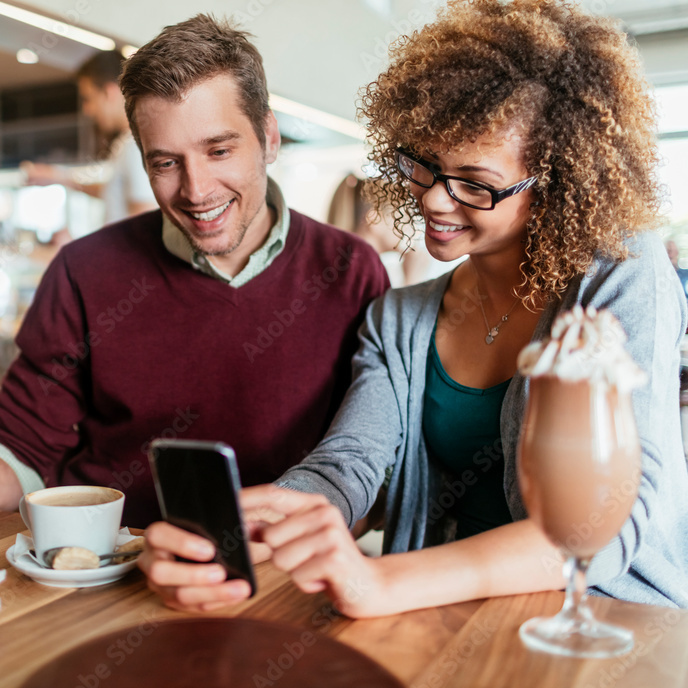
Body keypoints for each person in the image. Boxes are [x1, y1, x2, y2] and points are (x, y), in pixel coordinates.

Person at [141, 0, 688, 615]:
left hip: (610, 626)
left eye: (474, 183)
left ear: (556, 184)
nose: (434, 198)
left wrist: (383, 583)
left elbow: (611, 515)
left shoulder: (620, 272)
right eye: (424, 166)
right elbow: (348, 464)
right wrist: (252, 523)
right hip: (441, 629)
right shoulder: (399, 319)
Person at [0, 15, 389, 564]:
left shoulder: (350, 270)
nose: (196, 191)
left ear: (267, 136)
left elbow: (367, 465)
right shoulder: (84, 270)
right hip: (110, 575)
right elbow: (21, 433)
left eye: (219, 151)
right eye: (166, 163)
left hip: (284, 574)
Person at [21, 50, 156, 237]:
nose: (87, 110)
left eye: (88, 99)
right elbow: (113, 193)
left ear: (109, 92)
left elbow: (146, 225)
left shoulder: (135, 144)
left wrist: (83, 254)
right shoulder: (127, 142)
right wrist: (59, 177)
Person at [326, 172, 434, 287]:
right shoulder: (358, 278)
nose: (410, 227)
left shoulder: (356, 269)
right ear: (374, 219)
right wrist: (412, 280)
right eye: (402, 218)